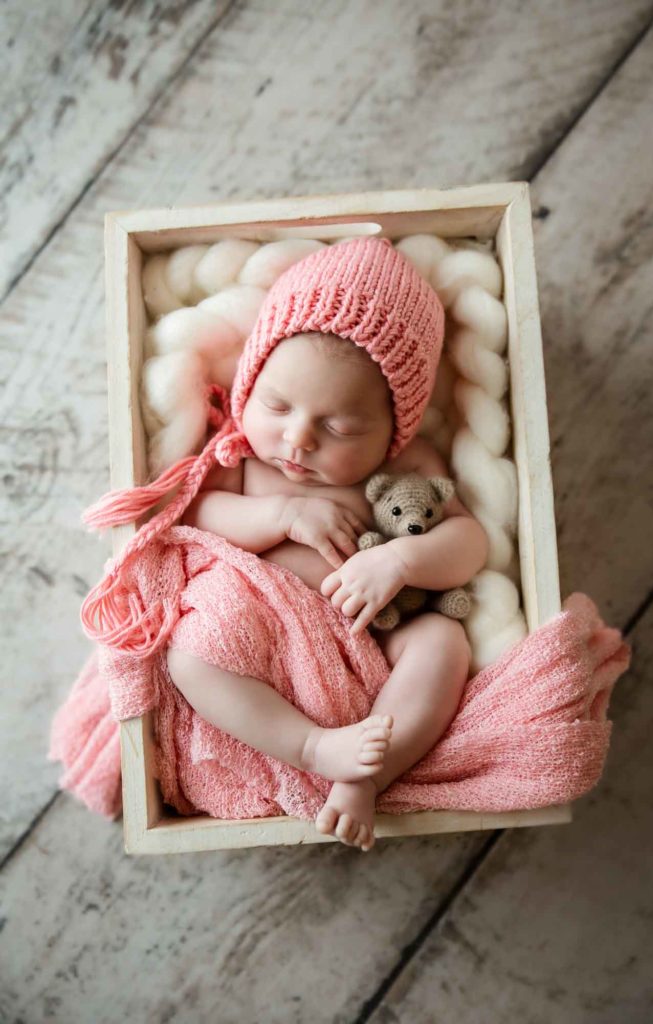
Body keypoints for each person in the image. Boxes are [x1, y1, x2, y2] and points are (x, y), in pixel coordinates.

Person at [160, 238, 489, 852]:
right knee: (190, 652)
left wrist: (398, 558)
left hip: (371, 638)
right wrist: (281, 514)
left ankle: (364, 776)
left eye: (339, 427)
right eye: (276, 405)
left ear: (396, 428)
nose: (298, 438)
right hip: (259, 626)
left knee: (442, 644)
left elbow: (467, 540)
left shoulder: (406, 466)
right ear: (250, 382)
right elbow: (199, 514)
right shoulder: (243, 456)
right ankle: (312, 747)